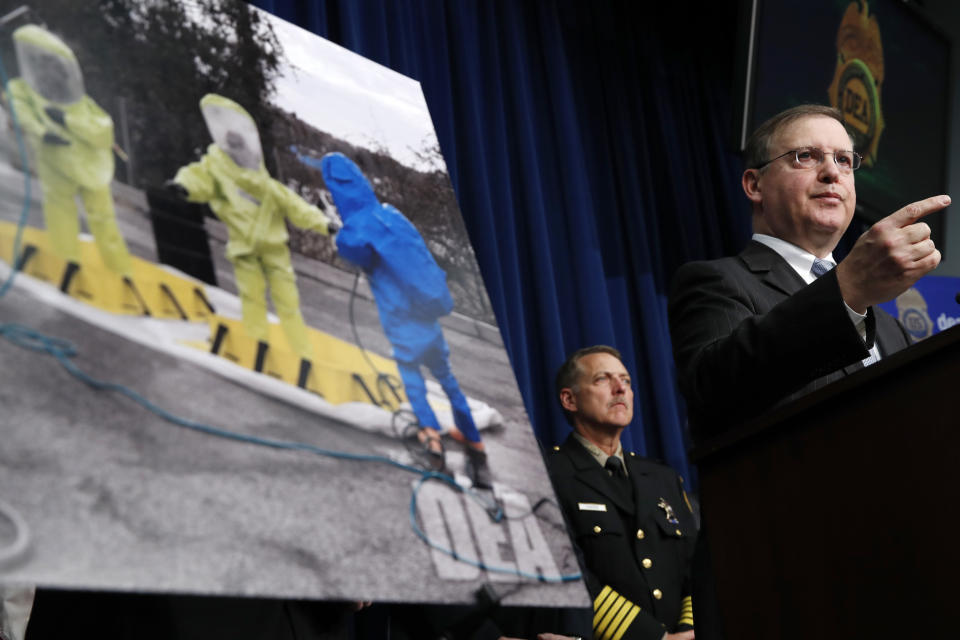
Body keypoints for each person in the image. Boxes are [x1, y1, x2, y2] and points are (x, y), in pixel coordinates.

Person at [668, 104, 946, 436]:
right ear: (755, 185)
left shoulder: (891, 329)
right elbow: (714, 390)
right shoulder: (715, 283)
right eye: (806, 156)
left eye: (844, 160)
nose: (833, 172)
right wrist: (846, 290)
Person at [319, 151, 492, 489]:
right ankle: (476, 447)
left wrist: (334, 227)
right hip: (429, 317)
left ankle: (434, 448)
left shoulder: (354, 230)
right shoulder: (392, 215)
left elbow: (352, 253)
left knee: (413, 385)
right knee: (449, 384)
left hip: (401, 324)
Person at [169, 94, 336, 368]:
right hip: (244, 250)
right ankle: (256, 351)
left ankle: (302, 358)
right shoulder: (219, 171)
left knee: (288, 305)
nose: (236, 148)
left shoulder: (266, 185)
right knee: (253, 302)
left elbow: (297, 207)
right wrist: (183, 186)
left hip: (274, 252)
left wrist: (324, 223)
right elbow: (199, 177)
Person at [547, 345, 696, 640]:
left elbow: (697, 564)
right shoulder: (548, 472)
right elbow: (565, 572)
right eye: (603, 379)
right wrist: (654, 638)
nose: (620, 389)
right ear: (569, 399)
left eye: (626, 381)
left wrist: (689, 628)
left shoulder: (663, 478)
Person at [7, 24, 132, 277]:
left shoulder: (80, 101)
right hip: (55, 161)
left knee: (103, 219)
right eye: (41, 62)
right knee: (59, 212)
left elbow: (102, 131)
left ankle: (120, 272)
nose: (47, 69)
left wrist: (66, 121)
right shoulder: (22, 89)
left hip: (90, 165)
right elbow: (22, 114)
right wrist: (44, 133)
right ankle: (65, 262)